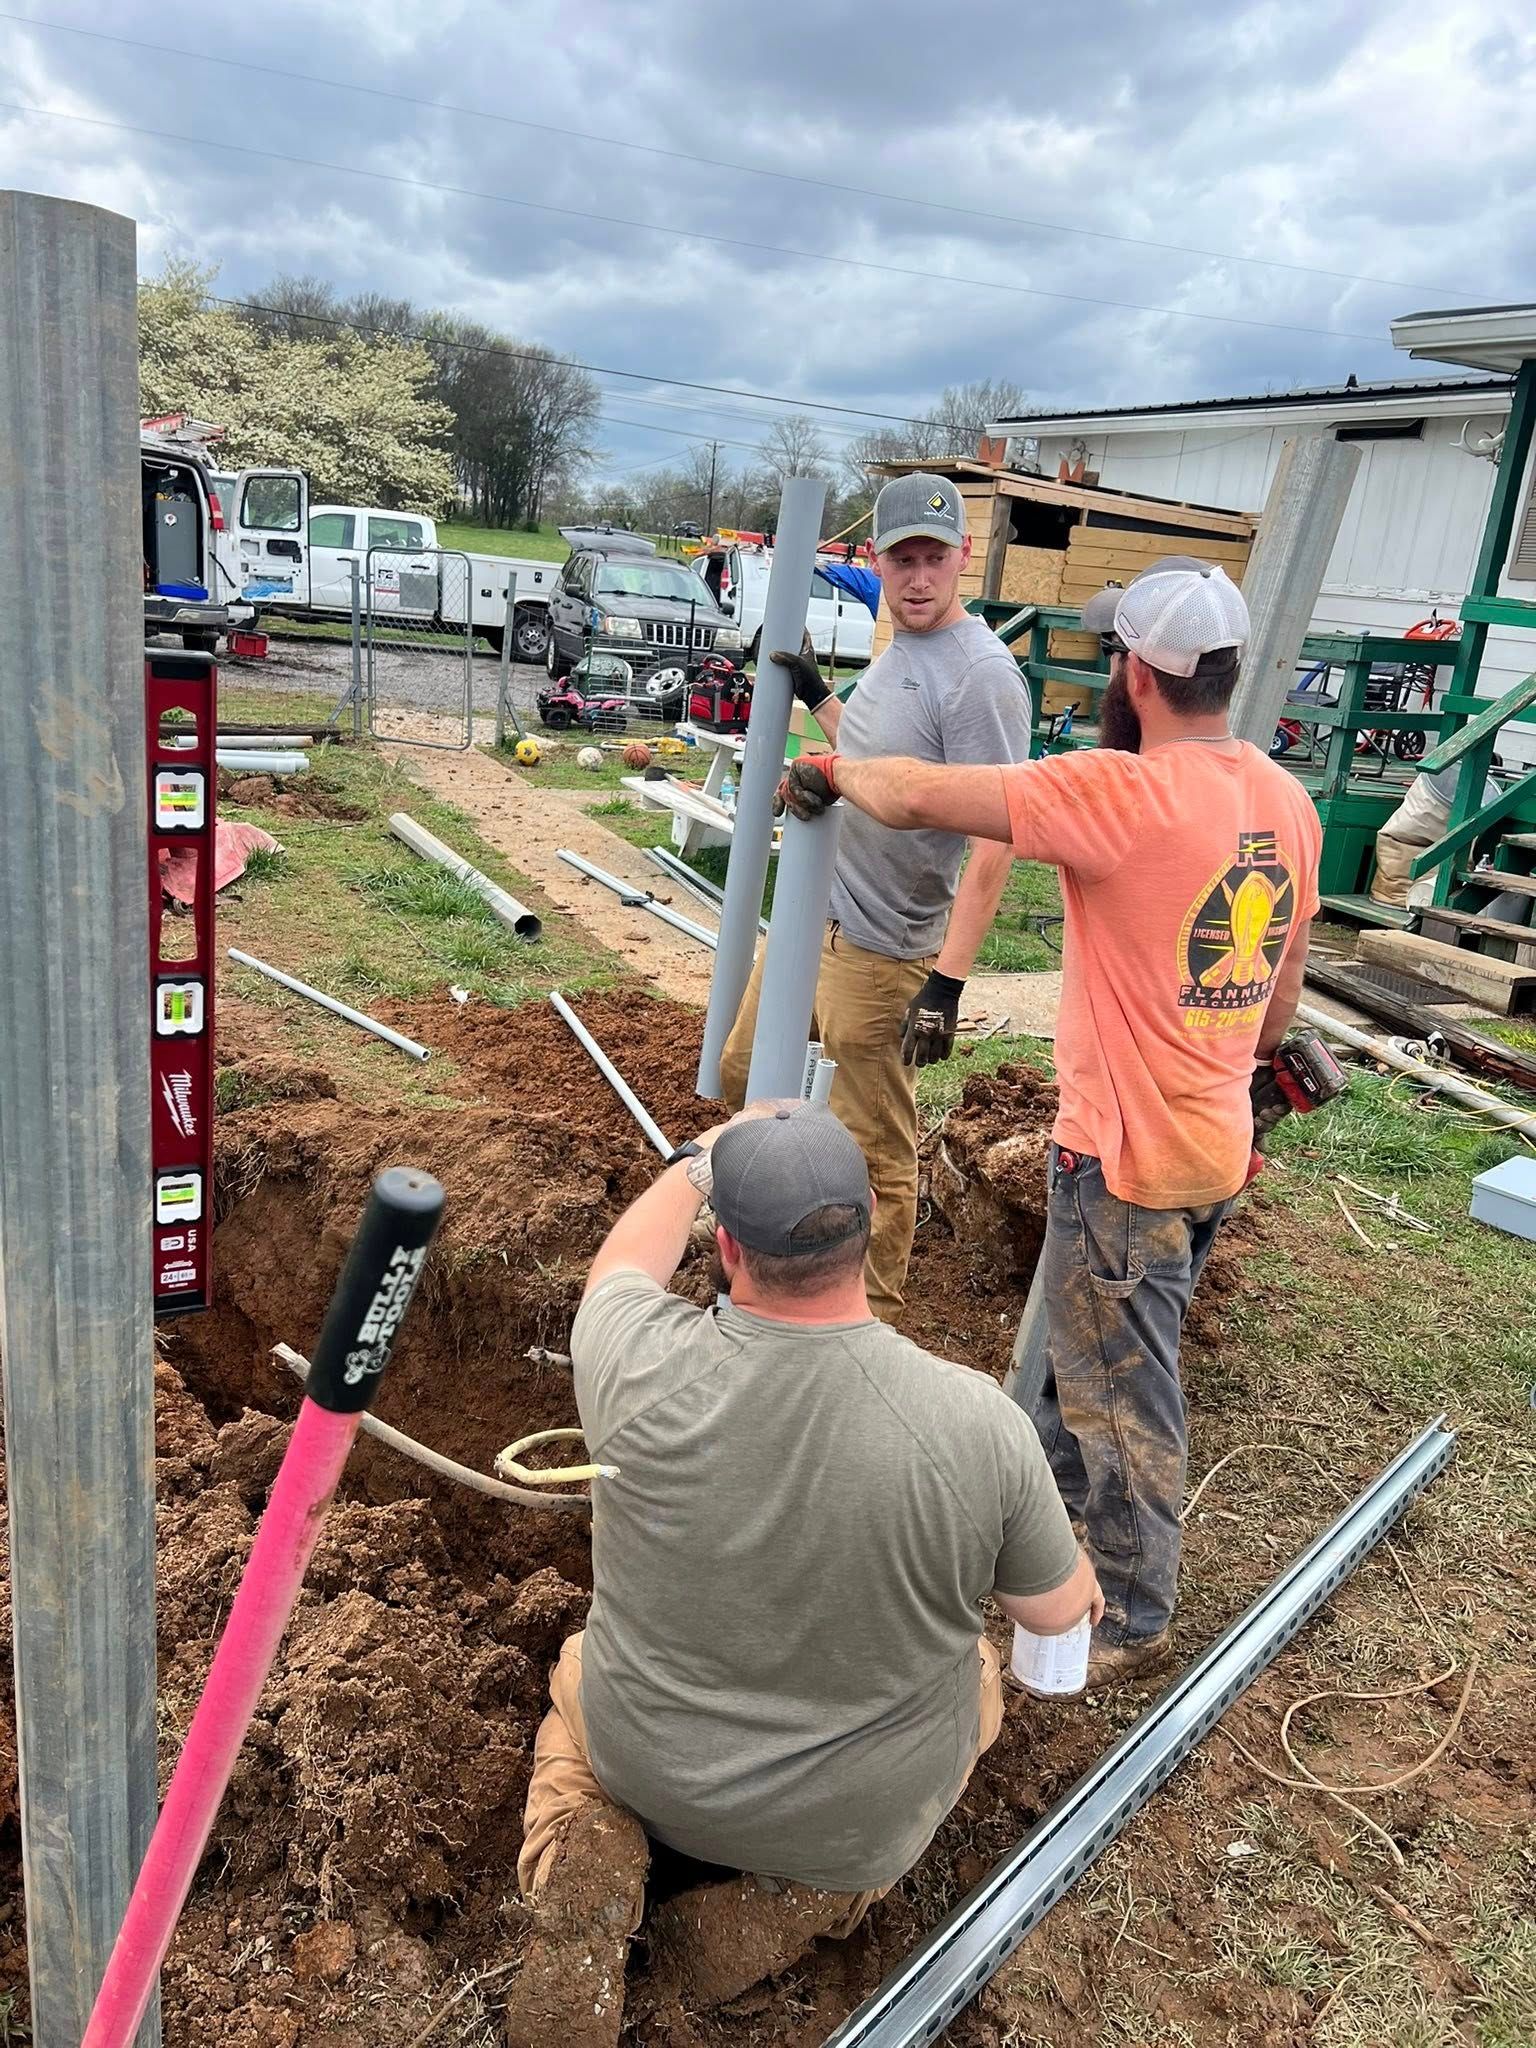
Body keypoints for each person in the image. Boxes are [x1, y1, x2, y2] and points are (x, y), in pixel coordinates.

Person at [778, 559, 1323, 1683]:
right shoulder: (1284, 798)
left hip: (1127, 1163)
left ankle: (1127, 1610)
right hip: (1219, 1141)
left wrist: (831, 762)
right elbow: (1279, 1006)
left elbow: (926, 795)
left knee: (1125, 1389)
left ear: (1137, 672)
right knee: (1093, 1366)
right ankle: (1049, 1520)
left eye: (1114, 655)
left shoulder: (1117, 792)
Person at [501, 1102, 1102, 2047]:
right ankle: (808, 1899)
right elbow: (1055, 1617)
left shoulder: (630, 1362)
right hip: (852, 1816)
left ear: (729, 1248)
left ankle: (579, 1856)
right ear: (868, 1221)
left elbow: (621, 1268)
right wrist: (1078, 1576)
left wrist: (701, 1161)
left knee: (577, 1681)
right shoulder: (976, 1424)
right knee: (977, 1678)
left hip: (648, 1764)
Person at [720, 472, 1034, 1324]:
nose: (920, 578)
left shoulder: (980, 677)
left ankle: (873, 1318)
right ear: (879, 564)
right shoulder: (899, 650)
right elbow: (873, 760)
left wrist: (950, 983)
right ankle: (769, 1250)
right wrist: (822, 697)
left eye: (936, 559)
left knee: (875, 1156)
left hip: (885, 952)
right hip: (813, 925)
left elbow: (999, 834)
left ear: (965, 558)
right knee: (751, 1077)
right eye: (904, 561)